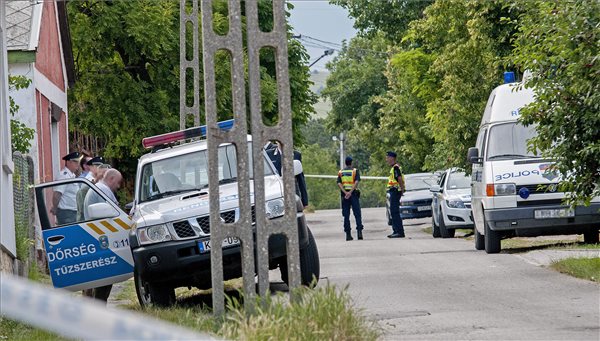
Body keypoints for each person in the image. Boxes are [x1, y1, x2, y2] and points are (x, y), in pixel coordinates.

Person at [82, 167, 122, 302]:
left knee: (97, 278)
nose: (118, 186)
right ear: (110, 179)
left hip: (95, 235)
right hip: (101, 238)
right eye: (117, 182)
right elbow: (116, 214)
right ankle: (99, 306)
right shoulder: (104, 190)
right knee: (105, 277)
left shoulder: (97, 188)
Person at [264, 142, 309, 207]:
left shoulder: (296, 155)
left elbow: (300, 178)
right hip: (274, 193)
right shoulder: (268, 154)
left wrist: (305, 201)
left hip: (292, 194)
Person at [51, 151, 82, 225]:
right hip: (66, 213)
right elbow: (57, 194)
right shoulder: (64, 176)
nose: (78, 164)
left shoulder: (72, 176)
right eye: (75, 162)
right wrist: (55, 208)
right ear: (68, 162)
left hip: (72, 212)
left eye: (78, 162)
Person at [337, 156, 363, 241]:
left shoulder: (340, 172)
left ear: (345, 163)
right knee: (357, 214)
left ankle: (348, 235)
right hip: (353, 194)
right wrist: (350, 192)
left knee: (346, 215)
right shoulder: (355, 171)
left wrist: (345, 192)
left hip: (345, 196)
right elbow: (356, 182)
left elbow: (339, 183)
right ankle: (359, 233)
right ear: (351, 162)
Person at [386, 151, 406, 238]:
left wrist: (402, 190)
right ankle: (396, 231)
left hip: (395, 191)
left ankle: (399, 231)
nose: (386, 159)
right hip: (394, 191)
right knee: (393, 212)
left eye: (387, 157)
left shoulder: (395, 168)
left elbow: (399, 179)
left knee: (394, 212)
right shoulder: (394, 168)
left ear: (392, 158)